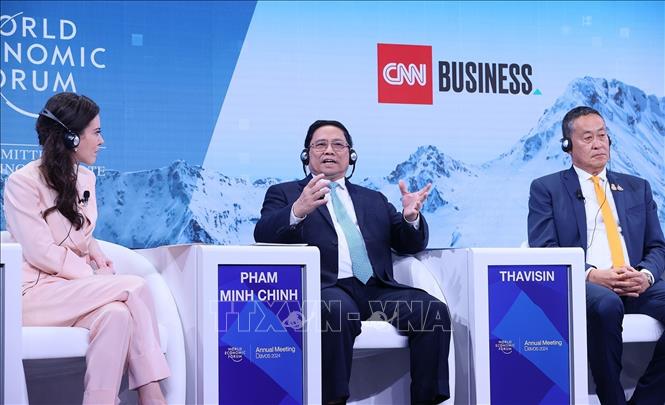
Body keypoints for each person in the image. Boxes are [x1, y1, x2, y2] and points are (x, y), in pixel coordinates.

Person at [254, 120, 451, 404]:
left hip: (377, 290)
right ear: (306, 155)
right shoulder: (285, 193)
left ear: (351, 155)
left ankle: (426, 400)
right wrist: (298, 210)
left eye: (338, 145)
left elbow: (409, 244)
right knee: (338, 311)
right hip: (325, 288)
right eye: (320, 145)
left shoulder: (373, 199)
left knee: (433, 311)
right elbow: (263, 234)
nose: (329, 151)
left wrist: (411, 218)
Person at [3, 92, 170, 405]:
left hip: (72, 292)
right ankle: (152, 393)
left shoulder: (86, 179)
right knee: (134, 286)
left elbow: (73, 228)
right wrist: (92, 277)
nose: (102, 141)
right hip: (32, 296)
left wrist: (93, 249)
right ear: (71, 137)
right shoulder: (22, 182)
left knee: (117, 315)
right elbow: (40, 251)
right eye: (96, 132)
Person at [528, 106, 665, 405]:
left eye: (602, 136)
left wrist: (645, 275)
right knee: (606, 304)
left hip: (636, 282)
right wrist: (591, 274)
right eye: (588, 138)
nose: (598, 144)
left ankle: (646, 400)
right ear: (568, 146)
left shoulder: (637, 187)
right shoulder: (547, 189)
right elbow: (544, 248)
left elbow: (658, 246)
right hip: (587, 284)